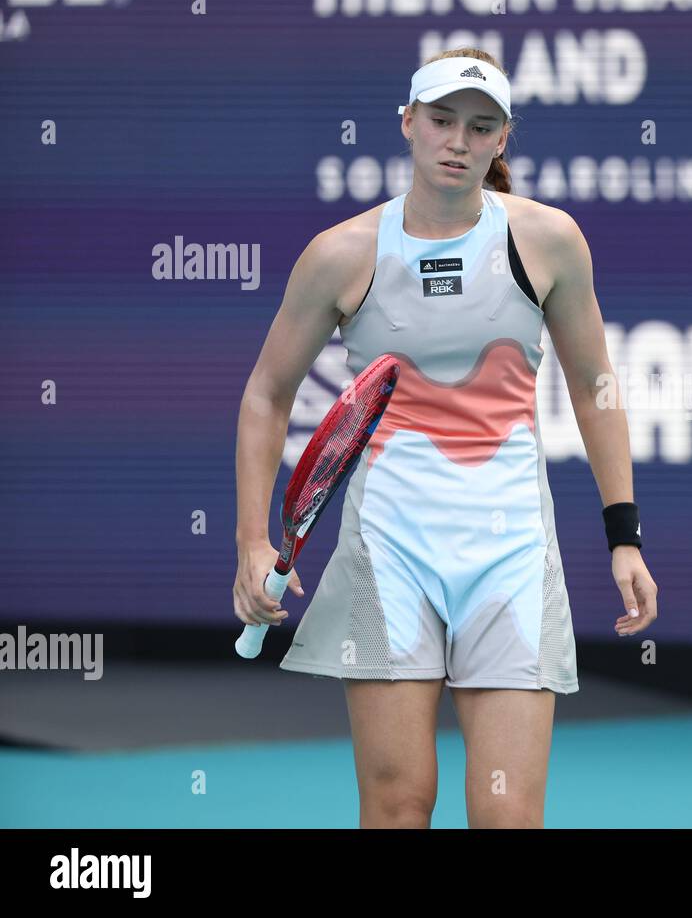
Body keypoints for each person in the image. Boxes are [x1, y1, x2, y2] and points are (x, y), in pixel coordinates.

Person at [232, 48, 658, 828]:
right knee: (398, 807)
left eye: (481, 125)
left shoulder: (548, 241)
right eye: (441, 120)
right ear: (407, 124)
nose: (458, 140)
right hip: (388, 554)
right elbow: (266, 393)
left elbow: (597, 389)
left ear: (503, 139)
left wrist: (622, 536)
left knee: (508, 816)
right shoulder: (343, 254)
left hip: (510, 556)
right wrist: (250, 543)